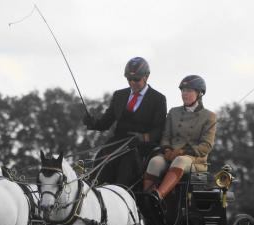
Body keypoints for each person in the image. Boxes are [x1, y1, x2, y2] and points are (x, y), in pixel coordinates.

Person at [83, 57, 167, 186]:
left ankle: (121, 189)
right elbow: (106, 122)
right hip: (118, 142)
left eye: (136, 79)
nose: (132, 83)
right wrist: (92, 123)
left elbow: (159, 129)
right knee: (101, 158)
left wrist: (143, 138)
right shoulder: (119, 95)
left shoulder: (158, 99)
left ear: (146, 76)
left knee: (126, 161)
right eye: (129, 79)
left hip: (140, 145)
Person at [143, 75, 217, 215]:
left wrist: (183, 151)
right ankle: (147, 200)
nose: (184, 94)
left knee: (180, 160)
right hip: (171, 154)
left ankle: (158, 195)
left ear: (199, 93)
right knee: (155, 161)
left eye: (189, 91)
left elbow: (206, 146)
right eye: (183, 90)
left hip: (194, 159)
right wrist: (166, 149)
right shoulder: (173, 112)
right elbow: (165, 136)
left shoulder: (209, 116)